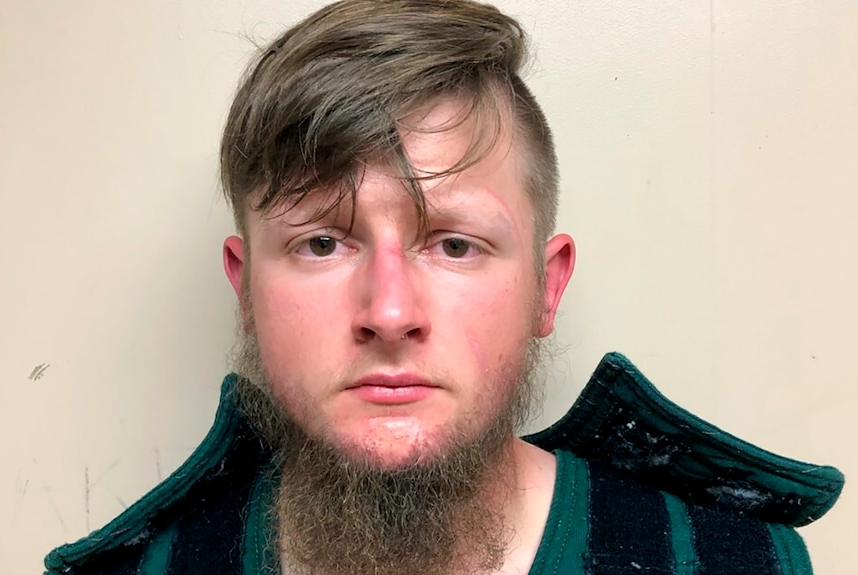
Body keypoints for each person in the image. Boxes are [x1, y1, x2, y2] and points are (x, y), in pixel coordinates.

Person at [43, 1, 843, 574]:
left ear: (546, 286)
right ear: (246, 288)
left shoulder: (740, 560)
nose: (389, 313)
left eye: (454, 244)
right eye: (322, 242)